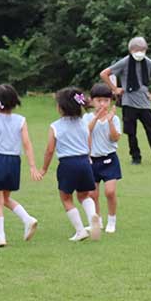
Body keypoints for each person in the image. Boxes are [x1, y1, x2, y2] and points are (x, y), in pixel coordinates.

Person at [0, 84, 41, 248]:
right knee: (4, 198)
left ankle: (1, 237)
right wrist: (32, 166)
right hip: (14, 162)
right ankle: (27, 219)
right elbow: (27, 144)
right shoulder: (21, 120)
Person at [41, 87, 102, 243]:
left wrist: (44, 168)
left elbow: (49, 150)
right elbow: (88, 141)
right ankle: (92, 217)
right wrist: (88, 157)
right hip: (84, 162)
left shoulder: (56, 126)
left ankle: (80, 230)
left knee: (66, 198)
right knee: (84, 195)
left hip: (68, 164)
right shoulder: (83, 123)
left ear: (61, 107)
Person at [101, 37, 151, 166]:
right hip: (128, 102)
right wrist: (115, 89)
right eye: (137, 49)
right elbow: (104, 74)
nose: (139, 52)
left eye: (142, 49)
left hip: (145, 103)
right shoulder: (124, 62)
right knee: (131, 132)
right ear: (131, 50)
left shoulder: (149, 63)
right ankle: (135, 157)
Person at [85, 83, 123, 233]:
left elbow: (115, 138)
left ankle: (112, 220)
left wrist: (109, 121)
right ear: (92, 101)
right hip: (92, 161)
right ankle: (98, 220)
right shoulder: (87, 117)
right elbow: (85, 132)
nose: (102, 104)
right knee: (92, 194)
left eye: (106, 101)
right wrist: (96, 118)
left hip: (109, 160)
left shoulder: (114, 119)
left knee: (110, 192)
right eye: (99, 100)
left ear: (110, 101)